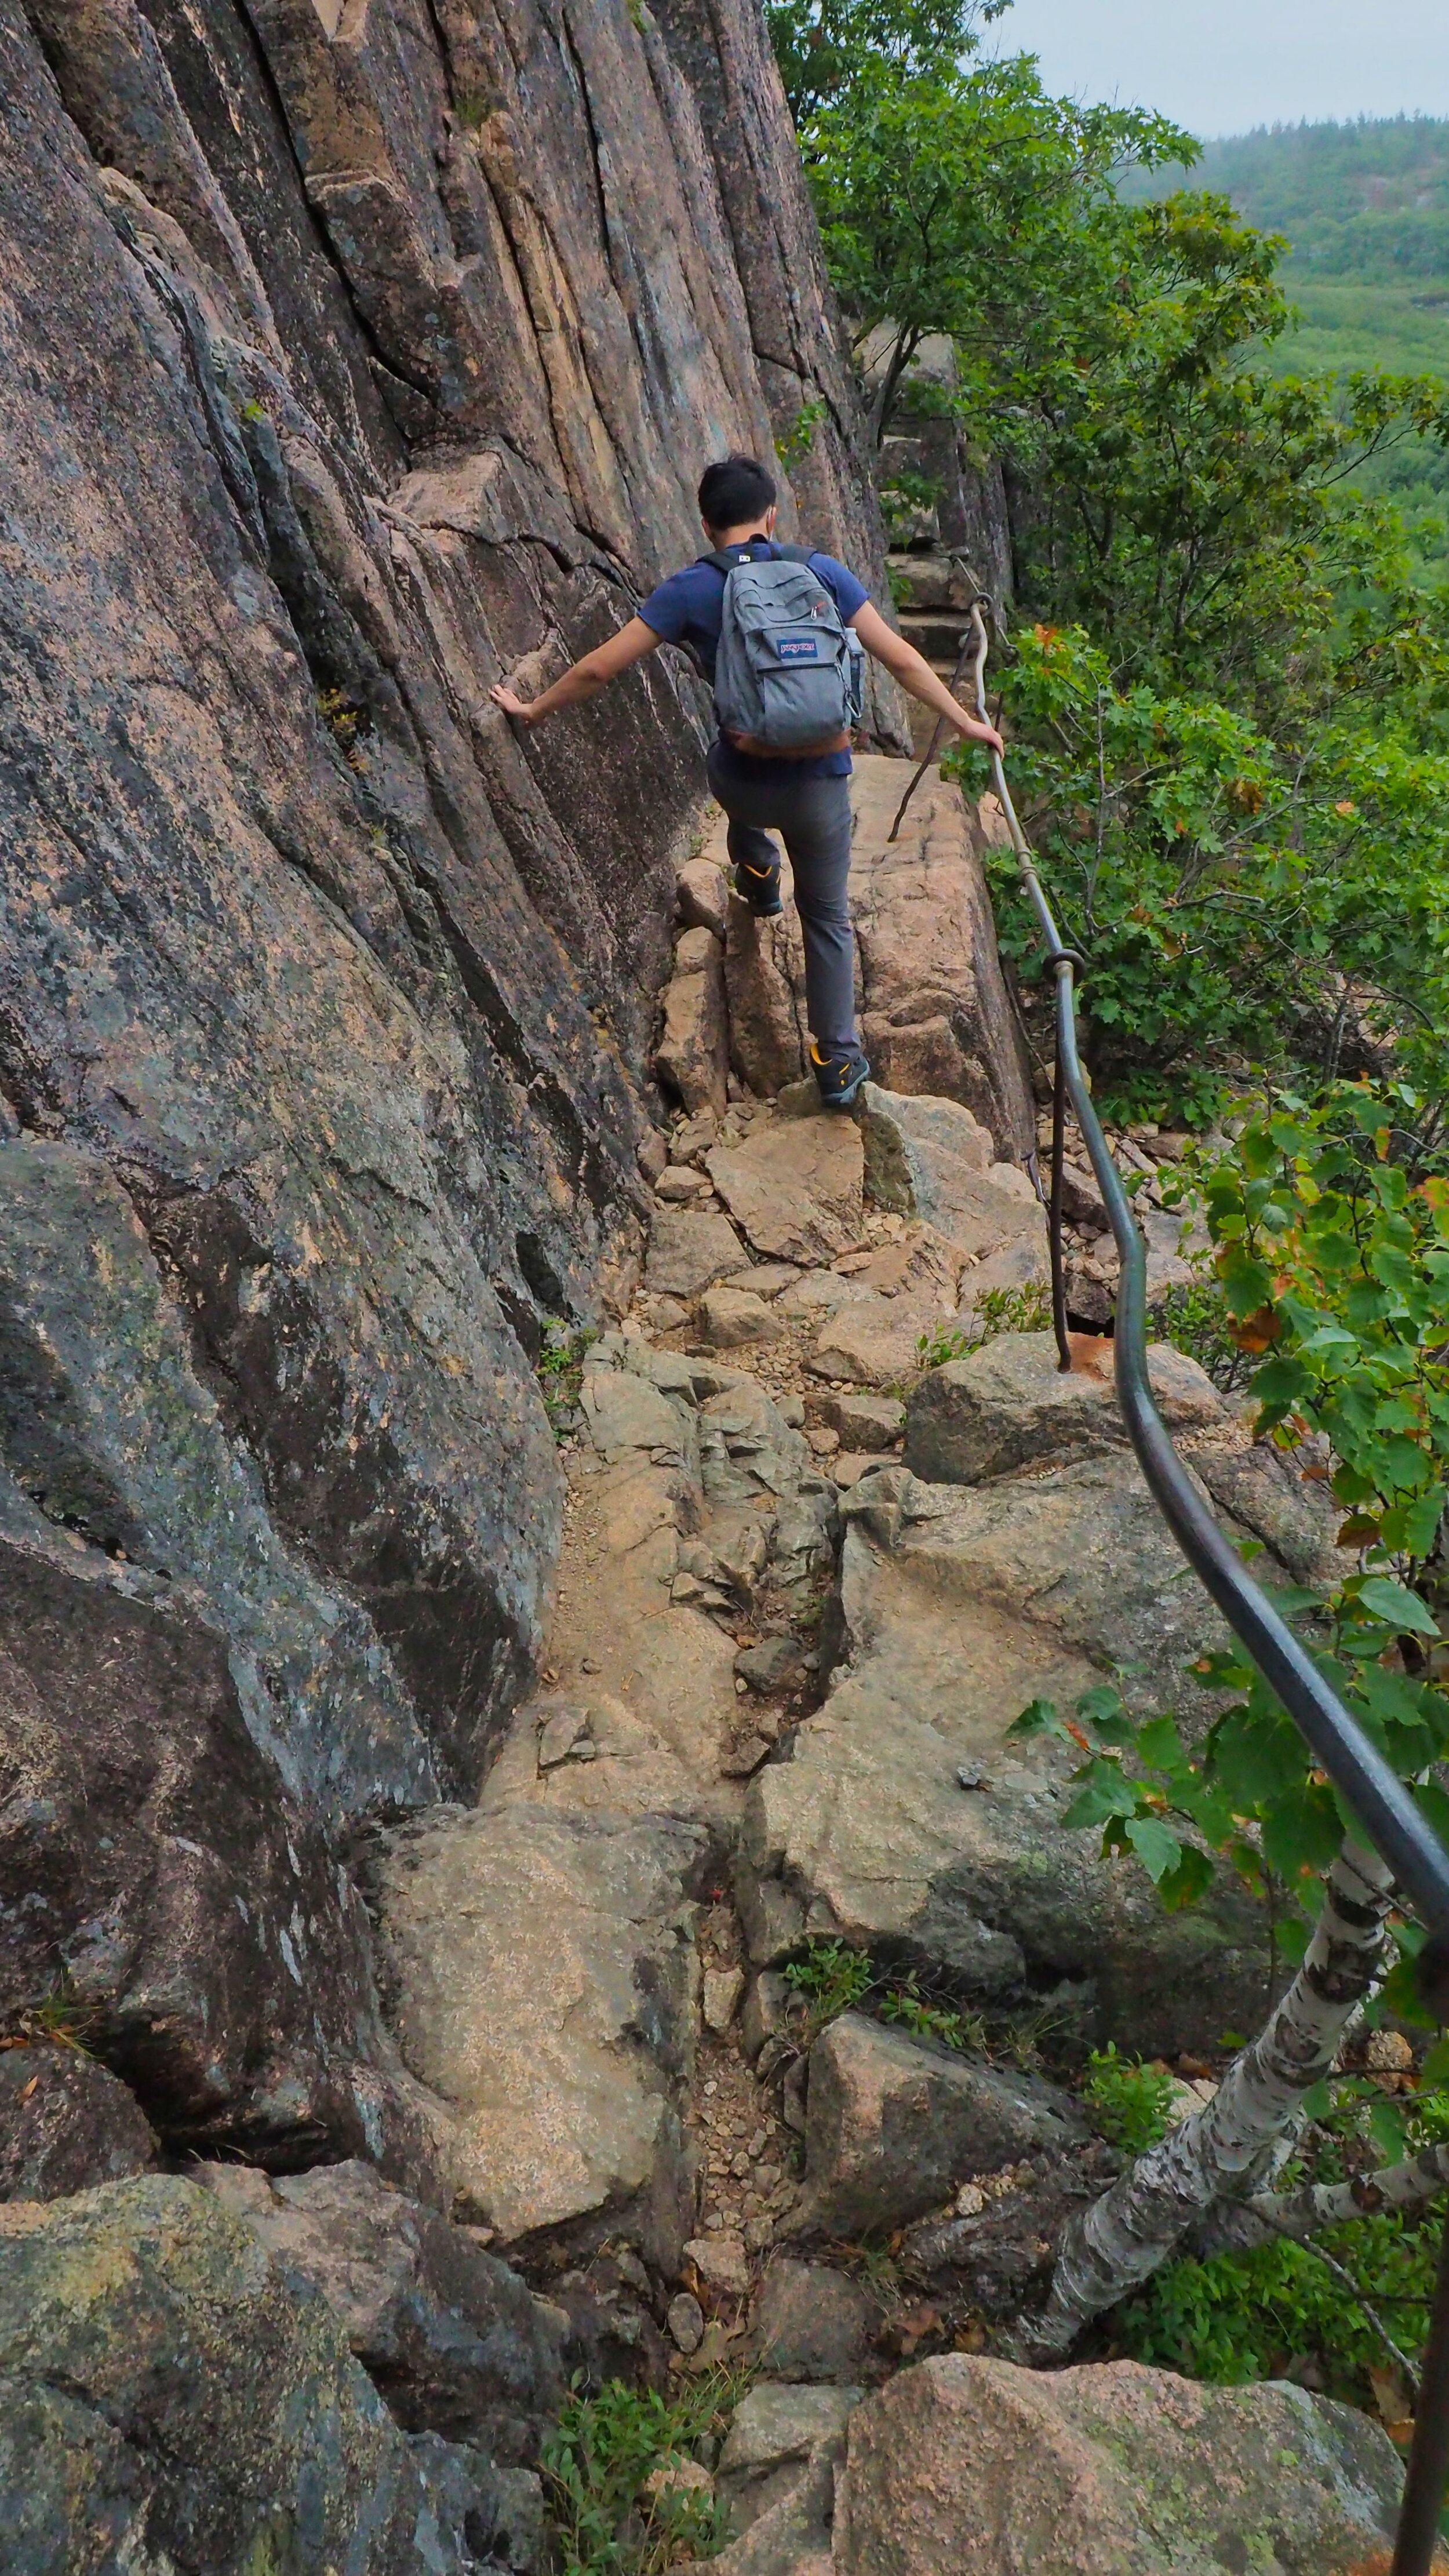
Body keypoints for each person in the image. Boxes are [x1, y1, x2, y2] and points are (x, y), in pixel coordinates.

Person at [490, 452, 1003, 1111]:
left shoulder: (690, 590)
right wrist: (964, 722)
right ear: (770, 516)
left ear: (706, 524)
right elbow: (901, 658)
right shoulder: (821, 572)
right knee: (826, 918)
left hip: (743, 783)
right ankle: (837, 1063)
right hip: (821, 785)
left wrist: (533, 710)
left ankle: (757, 872)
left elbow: (597, 670)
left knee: (725, 768)